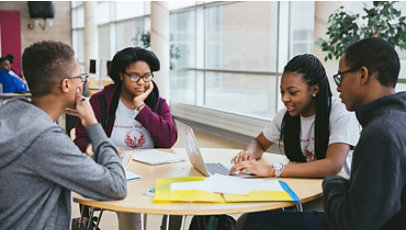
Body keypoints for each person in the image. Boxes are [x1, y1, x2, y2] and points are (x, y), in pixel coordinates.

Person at [0, 41, 127, 229]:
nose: (82, 83)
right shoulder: (45, 139)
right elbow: (116, 186)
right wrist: (93, 124)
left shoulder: (11, 112)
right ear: (66, 84)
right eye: (80, 77)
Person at [74, 47, 178, 230]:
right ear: (121, 75)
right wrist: (94, 147)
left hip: (152, 173)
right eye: (134, 76)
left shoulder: (157, 103)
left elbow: (169, 139)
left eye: (147, 76)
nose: (142, 83)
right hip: (116, 173)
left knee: (178, 202)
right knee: (130, 209)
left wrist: (141, 107)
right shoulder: (100, 102)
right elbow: (81, 138)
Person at [230, 54, 359, 178]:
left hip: (337, 192)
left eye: (293, 92)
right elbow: (259, 143)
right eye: (282, 92)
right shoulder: (286, 115)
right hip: (306, 187)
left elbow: (333, 165)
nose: (284, 98)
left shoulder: (340, 112)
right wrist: (248, 155)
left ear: (314, 90)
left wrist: (271, 170)